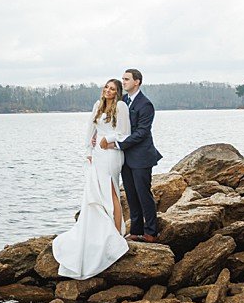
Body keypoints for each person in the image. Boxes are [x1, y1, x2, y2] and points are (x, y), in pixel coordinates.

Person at [50, 79, 131, 279]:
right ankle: (99, 229)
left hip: (111, 154)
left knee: (111, 190)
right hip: (97, 154)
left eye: (112, 88)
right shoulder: (98, 105)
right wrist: (89, 150)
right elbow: (90, 130)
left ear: (118, 92)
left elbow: (124, 132)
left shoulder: (121, 106)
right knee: (95, 191)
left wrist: (108, 140)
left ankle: (117, 232)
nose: (108, 90)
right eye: (106, 87)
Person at [117, 67, 163, 242]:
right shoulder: (122, 101)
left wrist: (120, 144)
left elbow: (142, 132)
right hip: (125, 157)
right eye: (123, 79)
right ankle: (135, 231)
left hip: (142, 156)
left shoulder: (145, 104)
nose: (124, 82)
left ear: (137, 81)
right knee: (131, 194)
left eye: (127, 79)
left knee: (144, 194)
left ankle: (151, 232)